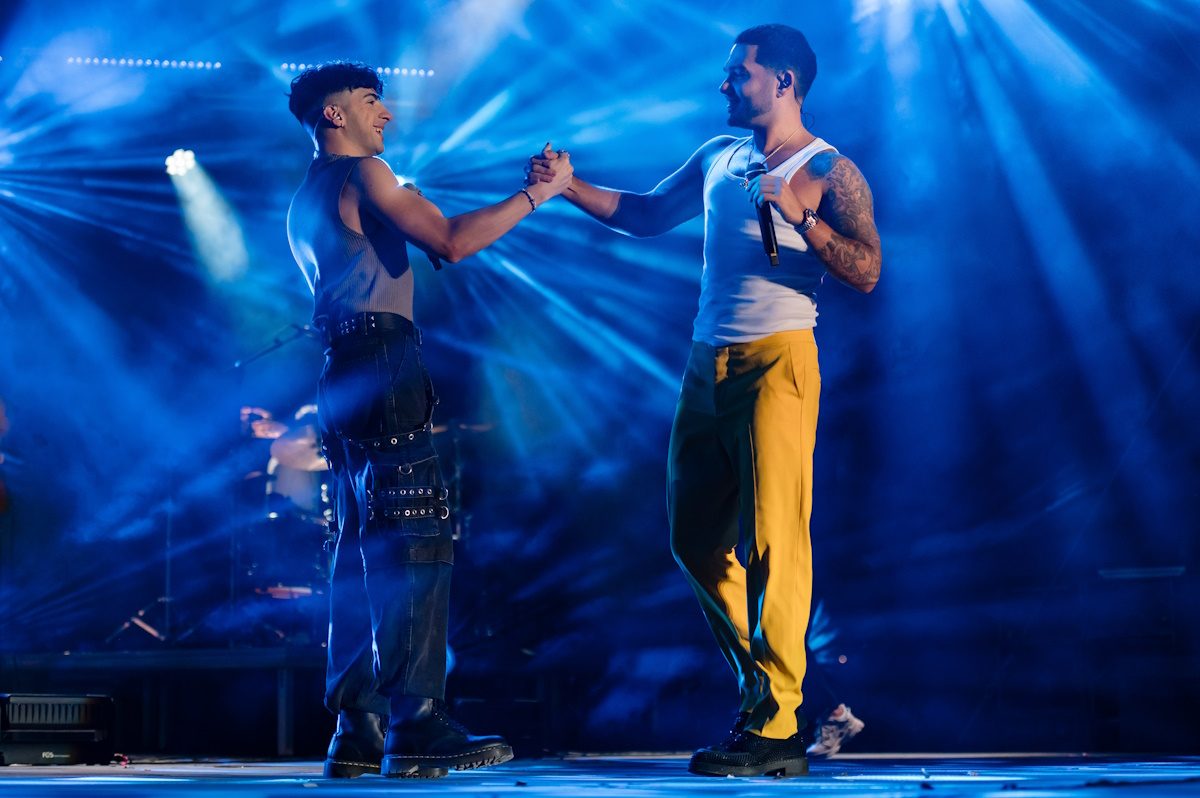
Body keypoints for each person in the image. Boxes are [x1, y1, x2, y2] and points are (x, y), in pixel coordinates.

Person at [528, 24, 881, 777]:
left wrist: (802, 216)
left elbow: (867, 270)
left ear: (782, 81)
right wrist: (567, 188)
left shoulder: (828, 168)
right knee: (694, 541)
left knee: (774, 542)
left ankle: (776, 725)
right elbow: (647, 214)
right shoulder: (719, 154)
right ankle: (771, 697)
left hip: (779, 360)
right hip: (704, 362)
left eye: (737, 73)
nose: (724, 84)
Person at [285, 61, 573, 779]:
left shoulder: (304, 196)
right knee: (415, 541)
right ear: (333, 115)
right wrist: (537, 194)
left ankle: (357, 730)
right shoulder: (364, 174)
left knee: (358, 548)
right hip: (383, 360)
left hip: (341, 371)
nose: (385, 114)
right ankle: (415, 722)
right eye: (370, 101)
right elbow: (450, 241)